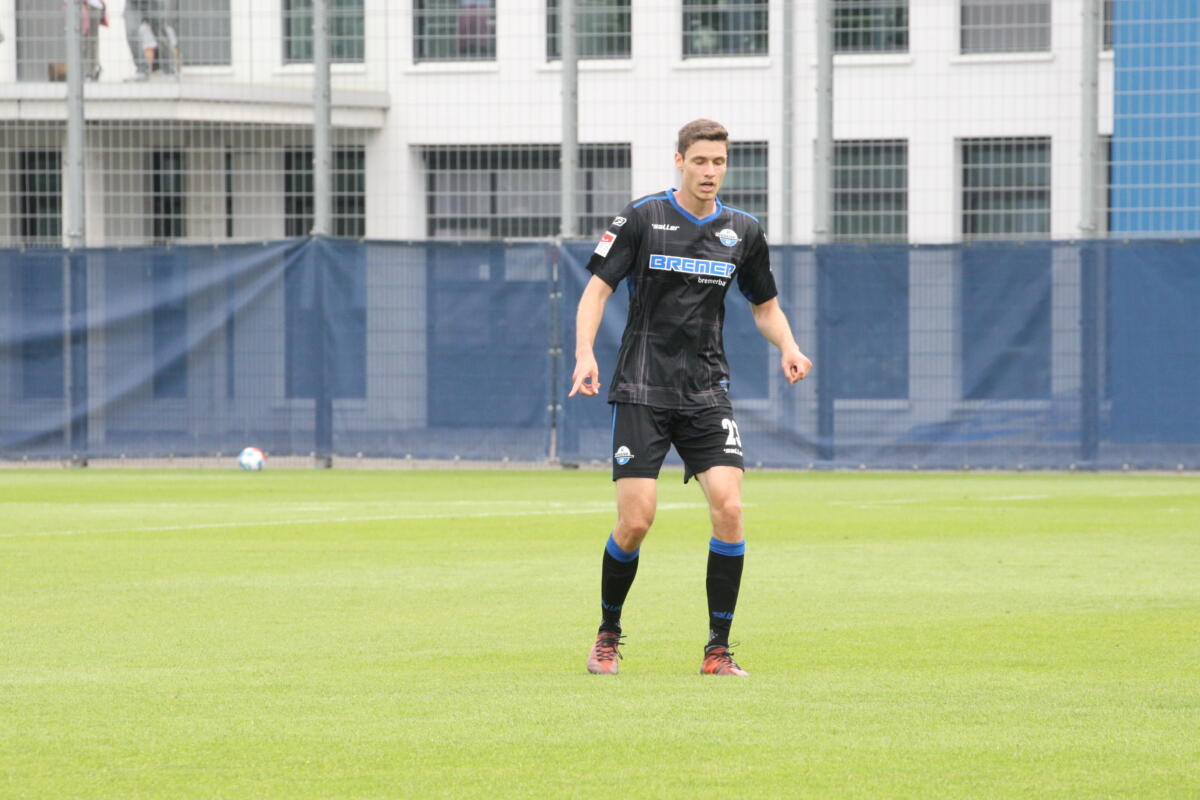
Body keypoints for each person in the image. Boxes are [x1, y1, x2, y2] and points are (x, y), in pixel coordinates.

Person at [570, 119, 813, 677]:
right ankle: (608, 633)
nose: (710, 171)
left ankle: (717, 649)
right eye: (700, 161)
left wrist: (790, 346)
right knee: (636, 522)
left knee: (729, 508)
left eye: (719, 162)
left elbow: (764, 306)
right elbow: (596, 291)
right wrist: (586, 353)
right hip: (642, 387)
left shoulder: (742, 232)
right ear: (679, 160)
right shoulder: (641, 219)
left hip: (707, 390)